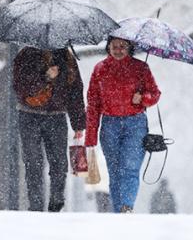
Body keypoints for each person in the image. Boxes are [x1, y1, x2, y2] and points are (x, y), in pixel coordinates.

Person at [85, 37, 161, 213]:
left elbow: (155, 94)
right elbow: (93, 104)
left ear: (129, 48)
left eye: (122, 46)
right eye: (114, 46)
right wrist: (91, 137)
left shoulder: (141, 68)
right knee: (114, 170)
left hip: (135, 124)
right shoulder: (100, 70)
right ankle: (118, 210)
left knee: (130, 167)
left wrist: (143, 98)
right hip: (109, 125)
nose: (118, 50)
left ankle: (127, 206)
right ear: (108, 47)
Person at [13, 46, 85, 212]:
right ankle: (36, 205)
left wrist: (78, 123)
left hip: (57, 115)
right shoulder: (26, 55)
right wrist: (45, 77)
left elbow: (75, 90)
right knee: (33, 162)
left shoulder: (67, 58)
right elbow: (20, 87)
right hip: (29, 114)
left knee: (59, 162)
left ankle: (56, 200)